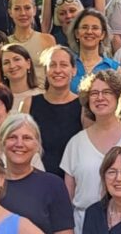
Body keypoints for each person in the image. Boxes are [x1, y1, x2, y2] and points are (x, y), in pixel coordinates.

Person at [60, 70, 121, 234]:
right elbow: (68, 196)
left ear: (119, 96)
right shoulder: (75, 143)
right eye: (94, 93)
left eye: (107, 92)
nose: (100, 98)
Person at [29, 45, 82, 176]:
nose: (58, 70)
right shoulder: (29, 103)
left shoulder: (84, 106)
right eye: (52, 65)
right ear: (46, 71)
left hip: (73, 179)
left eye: (63, 65)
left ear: (74, 70)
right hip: (38, 177)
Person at [8, 0, 55, 83]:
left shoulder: (47, 40)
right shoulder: (5, 43)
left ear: (34, 10)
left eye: (27, 8)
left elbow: (54, 73)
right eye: (17, 9)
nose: (23, 13)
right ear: (10, 12)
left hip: (41, 94)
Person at [68, 8, 119, 90]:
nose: (89, 32)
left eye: (95, 28)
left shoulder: (114, 68)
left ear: (103, 34)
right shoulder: (67, 64)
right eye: (84, 27)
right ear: (77, 33)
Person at [0, 42, 42, 112]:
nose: (12, 66)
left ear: (28, 63)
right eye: (6, 62)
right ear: (2, 70)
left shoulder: (42, 96)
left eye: (16, 59)